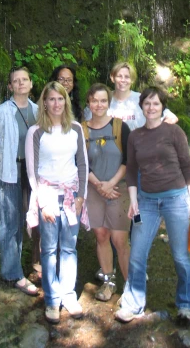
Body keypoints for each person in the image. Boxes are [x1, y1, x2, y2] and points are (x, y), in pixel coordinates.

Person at [115, 87, 190, 324]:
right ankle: (133, 303)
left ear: (162, 107)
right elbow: (131, 171)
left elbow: (187, 167)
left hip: (176, 200)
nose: (151, 108)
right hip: (146, 202)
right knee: (137, 253)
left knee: (181, 255)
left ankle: (186, 304)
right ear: (141, 107)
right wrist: (133, 201)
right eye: (147, 104)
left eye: (156, 104)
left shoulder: (174, 132)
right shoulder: (135, 136)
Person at [25, 81, 89, 324]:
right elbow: (32, 172)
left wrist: (82, 195)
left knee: (69, 247)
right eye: (51, 99)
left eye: (60, 99)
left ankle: (69, 295)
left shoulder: (75, 129)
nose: (56, 104)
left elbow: (82, 164)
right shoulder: (36, 132)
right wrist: (42, 202)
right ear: (44, 103)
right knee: (49, 249)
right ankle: (52, 300)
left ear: (66, 101)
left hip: (72, 194)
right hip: (48, 194)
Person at [0, 67, 39, 296]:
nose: (20, 83)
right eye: (15, 81)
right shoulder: (0, 112)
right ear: (10, 87)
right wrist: (2, 164)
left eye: (24, 79)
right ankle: (12, 273)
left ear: (31, 83)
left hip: (31, 172)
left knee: (28, 220)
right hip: (7, 172)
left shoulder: (39, 110)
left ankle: (23, 266)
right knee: (9, 223)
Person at [82, 83, 130, 302]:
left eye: (103, 100)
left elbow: (129, 161)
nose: (98, 105)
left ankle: (130, 287)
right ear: (88, 103)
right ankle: (109, 281)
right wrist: (99, 185)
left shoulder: (120, 128)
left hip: (118, 189)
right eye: (94, 100)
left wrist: (110, 183)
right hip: (94, 189)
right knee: (101, 235)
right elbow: (79, 162)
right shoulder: (81, 130)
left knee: (120, 239)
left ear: (108, 103)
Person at [84, 61, 179, 130]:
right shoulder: (103, 99)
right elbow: (87, 122)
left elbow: (171, 117)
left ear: (132, 80)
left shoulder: (142, 99)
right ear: (112, 78)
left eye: (127, 77)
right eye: (119, 76)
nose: (123, 80)